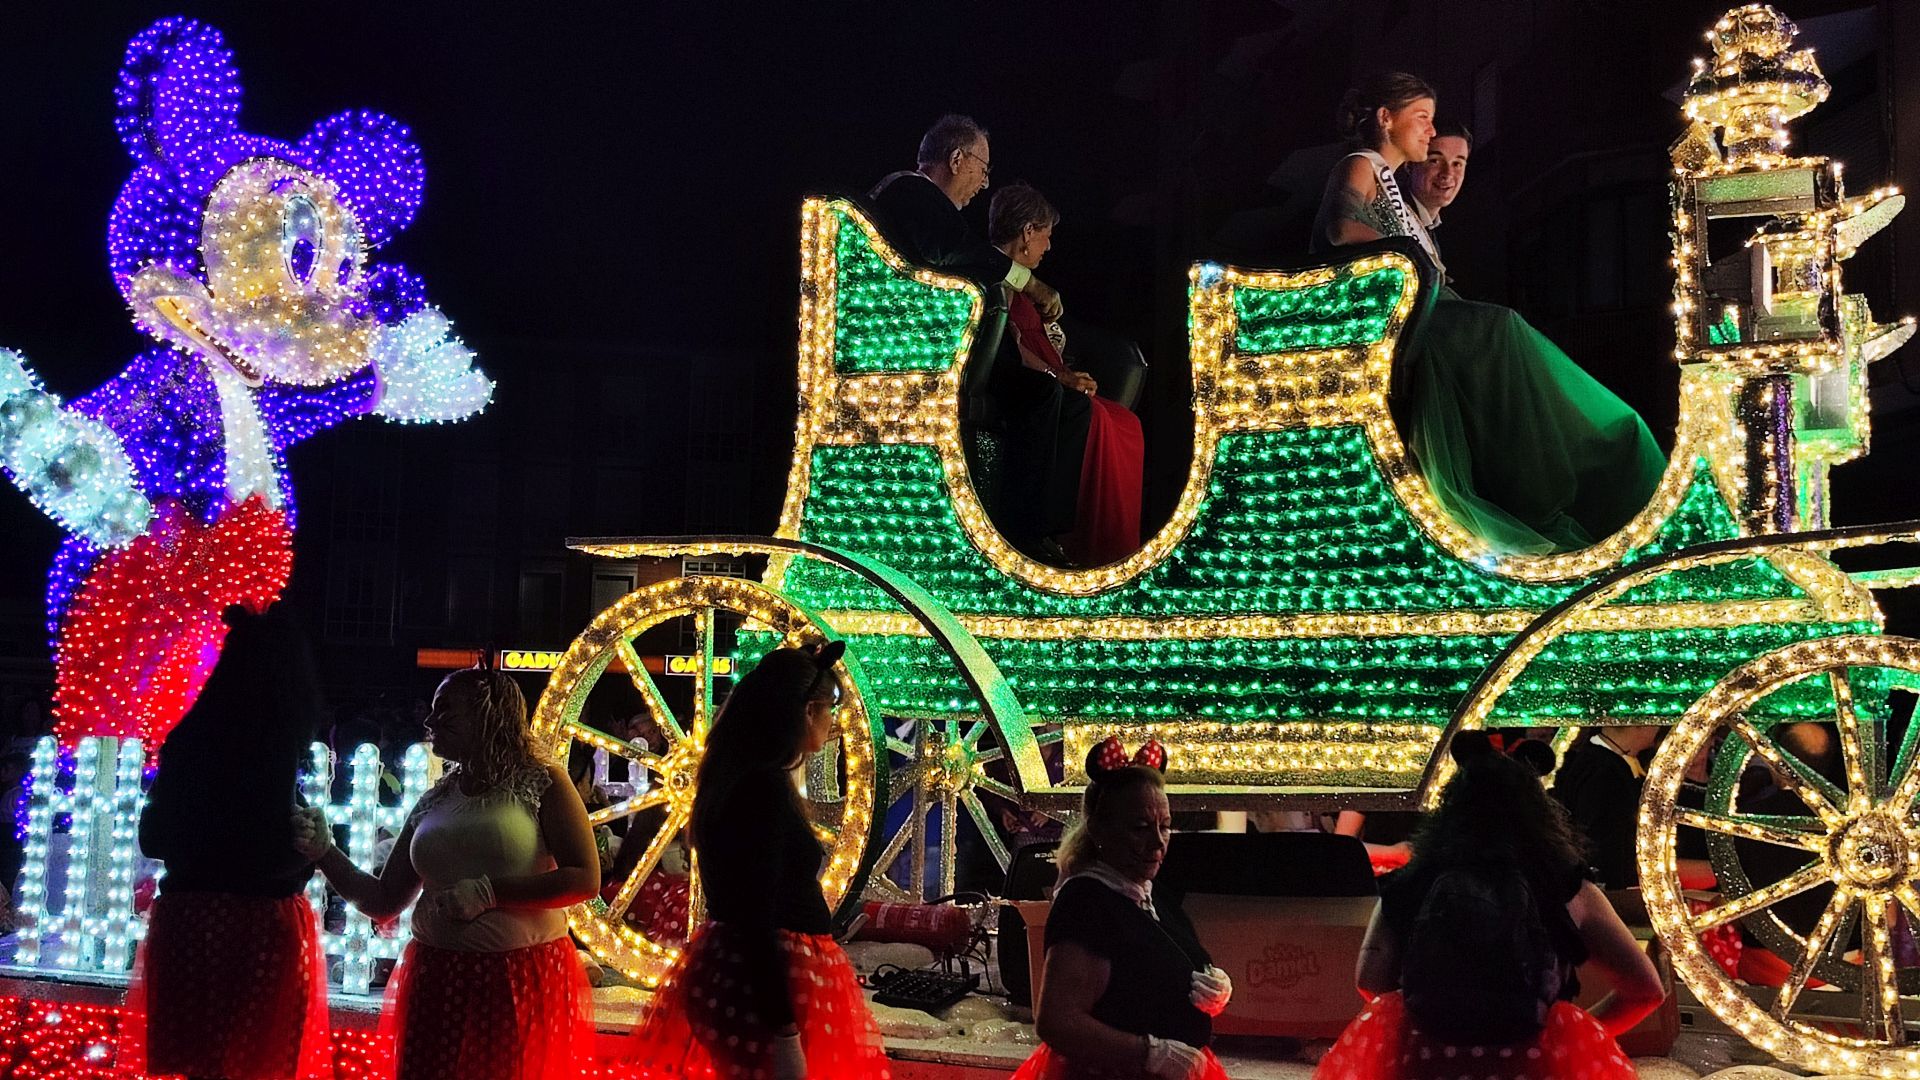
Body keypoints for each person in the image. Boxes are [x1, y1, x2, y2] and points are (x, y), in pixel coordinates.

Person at [1313, 74, 1665, 555]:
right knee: (1501, 328)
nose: (1429, 132)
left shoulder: (1388, 181)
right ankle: (1533, 487)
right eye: (1422, 120)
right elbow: (1340, 229)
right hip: (1406, 314)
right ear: (1385, 118)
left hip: (1426, 306)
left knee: (1508, 333)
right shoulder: (1359, 165)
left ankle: (1592, 453)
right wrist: (1410, 258)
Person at [292, 668, 599, 1080]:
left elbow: (584, 878)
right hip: (436, 977)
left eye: (446, 710)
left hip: (518, 981)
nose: (430, 722)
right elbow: (384, 901)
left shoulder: (544, 781)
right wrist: (324, 852)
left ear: (490, 714)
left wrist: (490, 893)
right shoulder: (434, 798)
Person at [1315, 732, 1664, 1079]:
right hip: (1536, 1064)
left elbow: (1370, 981)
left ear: (1449, 807)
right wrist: (1575, 1035)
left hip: (1425, 1061)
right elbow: (1646, 991)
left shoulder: (1412, 882)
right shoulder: (1566, 885)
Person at [626, 642, 889, 1079]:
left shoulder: (741, 778)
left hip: (743, 971)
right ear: (807, 711)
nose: (833, 720)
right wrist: (784, 1029)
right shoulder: (762, 789)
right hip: (767, 980)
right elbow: (755, 913)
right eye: (829, 708)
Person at [123, 606, 332, 1080]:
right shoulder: (273, 743)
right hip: (255, 924)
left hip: (186, 919)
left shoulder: (189, 736)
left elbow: (153, 835)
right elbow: (268, 851)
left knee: (196, 1063)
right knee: (254, 1062)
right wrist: (308, 849)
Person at [870, 116, 1086, 563]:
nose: (984, 184)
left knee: (1065, 401)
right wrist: (1028, 282)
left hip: (948, 342)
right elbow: (952, 249)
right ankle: (1022, 534)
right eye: (983, 169)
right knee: (1042, 394)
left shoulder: (923, 206)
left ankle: (1044, 529)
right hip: (926, 350)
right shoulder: (909, 192)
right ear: (956, 159)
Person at [1011, 737, 1233, 1080]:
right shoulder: (1087, 903)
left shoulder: (1144, 889)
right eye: (1141, 828)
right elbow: (1057, 1022)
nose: (1158, 842)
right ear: (1100, 829)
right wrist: (1151, 1054)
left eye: (1165, 826)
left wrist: (1205, 984)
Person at [989, 183, 1145, 566]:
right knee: (1087, 411)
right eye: (1047, 235)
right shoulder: (998, 278)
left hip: (1046, 374)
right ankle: (1060, 536)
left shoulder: (1027, 285)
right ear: (1027, 232)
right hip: (1016, 377)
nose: (1049, 246)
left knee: (1124, 420)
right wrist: (1059, 377)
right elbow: (1007, 346)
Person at [1400, 118, 1470, 241]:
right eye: (1435, 161)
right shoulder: (1394, 218)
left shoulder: (1430, 227)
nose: (1447, 174)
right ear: (1409, 165)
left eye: (1457, 164)